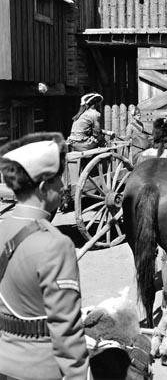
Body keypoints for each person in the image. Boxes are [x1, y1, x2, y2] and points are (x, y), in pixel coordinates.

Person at [0, 133, 89, 379]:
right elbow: (65, 329)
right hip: (40, 368)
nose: (62, 187)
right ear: (42, 187)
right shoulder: (55, 245)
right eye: (58, 181)